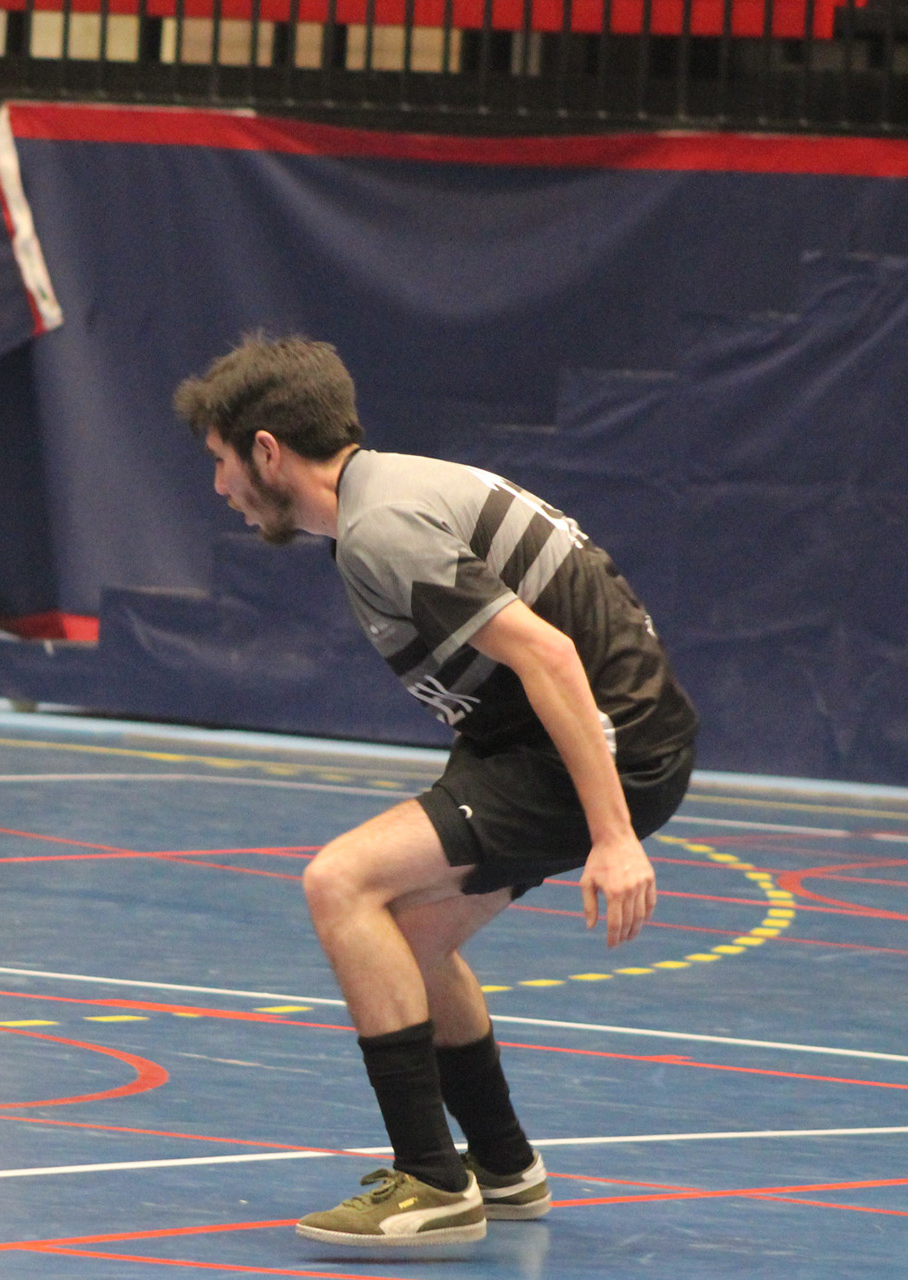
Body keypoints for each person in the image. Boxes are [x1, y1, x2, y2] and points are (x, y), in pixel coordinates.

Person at [175, 335, 698, 1247]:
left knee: (340, 882)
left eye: (221, 461)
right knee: (403, 940)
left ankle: (429, 1180)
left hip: (600, 746)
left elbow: (551, 655)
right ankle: (503, 1164)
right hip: (532, 739)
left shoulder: (385, 525)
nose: (219, 487)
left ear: (267, 451)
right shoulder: (385, 499)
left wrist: (614, 835)